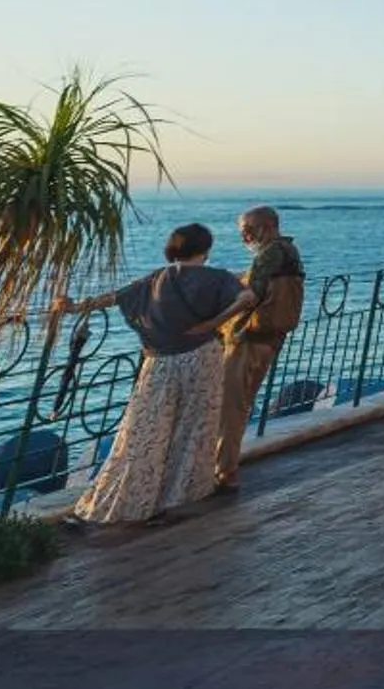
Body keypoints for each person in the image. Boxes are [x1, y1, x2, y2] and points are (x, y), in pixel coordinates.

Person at [61, 223, 253, 527]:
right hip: (202, 357)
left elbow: (113, 298)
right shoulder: (217, 278)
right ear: (205, 249)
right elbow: (247, 298)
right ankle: (177, 498)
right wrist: (213, 323)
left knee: (146, 428)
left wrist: (73, 307)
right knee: (193, 427)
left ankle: (129, 499)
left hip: (160, 361)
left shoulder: (156, 279)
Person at [215, 204, 304, 496]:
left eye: (248, 231)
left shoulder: (271, 253)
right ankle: (222, 467)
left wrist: (212, 322)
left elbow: (251, 294)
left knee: (231, 407)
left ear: (267, 227)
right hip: (267, 339)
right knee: (236, 404)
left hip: (250, 340)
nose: (245, 238)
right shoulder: (288, 252)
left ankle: (224, 472)